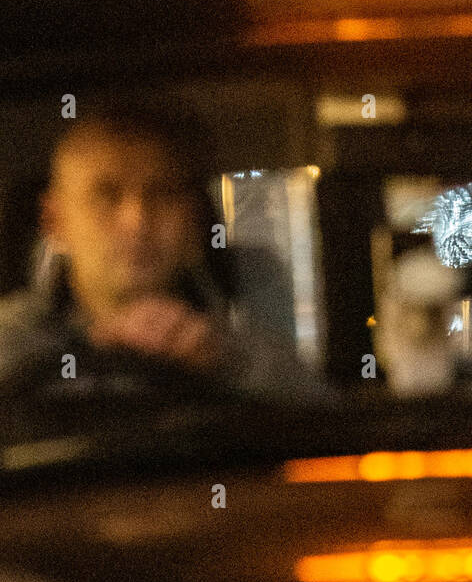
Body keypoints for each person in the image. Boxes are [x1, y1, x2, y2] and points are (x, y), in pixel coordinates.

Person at [0, 103, 331, 404]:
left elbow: (321, 421)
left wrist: (223, 359)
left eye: (162, 194)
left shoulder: (242, 342)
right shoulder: (13, 339)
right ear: (55, 221)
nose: (138, 222)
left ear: (192, 220)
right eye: (106, 196)